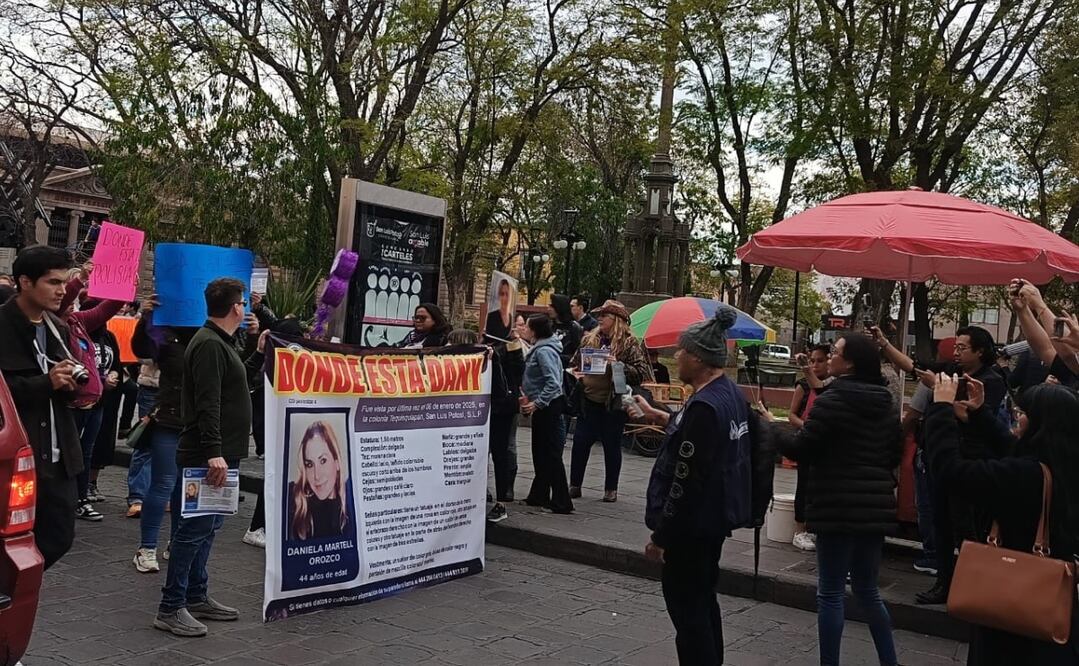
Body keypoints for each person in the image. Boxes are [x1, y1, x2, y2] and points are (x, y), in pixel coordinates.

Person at [924, 374, 1079, 664]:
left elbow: (950, 472)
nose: (1016, 420)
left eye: (1021, 414)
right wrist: (980, 414)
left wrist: (940, 409)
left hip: (1012, 606)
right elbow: (1012, 448)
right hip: (1053, 605)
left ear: (1039, 425)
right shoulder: (1062, 465)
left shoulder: (1025, 475)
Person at [631, 306, 754, 665]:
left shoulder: (704, 406)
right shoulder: (728, 394)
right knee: (703, 602)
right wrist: (662, 417)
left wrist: (661, 537)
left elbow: (687, 481)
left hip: (693, 527)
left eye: (682, 351)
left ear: (699, 358)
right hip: (714, 520)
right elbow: (705, 442)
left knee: (689, 614)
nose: (676, 357)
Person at [774, 333, 901, 666]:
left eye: (835, 352)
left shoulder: (834, 399)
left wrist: (769, 431)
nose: (829, 356)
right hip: (874, 508)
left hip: (835, 504)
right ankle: (890, 660)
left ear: (851, 362)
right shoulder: (886, 404)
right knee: (867, 590)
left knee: (830, 591)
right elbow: (894, 454)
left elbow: (803, 446)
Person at [875, 323, 1008, 605]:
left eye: (963, 348)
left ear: (980, 351)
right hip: (939, 458)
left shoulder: (991, 380)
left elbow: (977, 418)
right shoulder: (951, 371)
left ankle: (974, 587)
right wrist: (885, 344)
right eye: (956, 347)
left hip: (969, 463)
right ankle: (944, 582)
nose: (956, 353)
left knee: (967, 528)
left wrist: (946, 398)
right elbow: (915, 367)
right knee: (940, 523)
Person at [155, 278, 251, 637]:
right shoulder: (210, 344)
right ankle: (171, 605)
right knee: (192, 530)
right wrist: (213, 452)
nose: (245, 308)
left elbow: (234, 386)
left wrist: (258, 352)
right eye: (243, 303)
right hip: (207, 456)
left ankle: (196, 595)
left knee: (207, 527)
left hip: (221, 453)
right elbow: (208, 403)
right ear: (235, 307)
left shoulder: (220, 343)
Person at [0, 246, 81, 569]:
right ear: (25, 282)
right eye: (53, 282)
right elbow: (5, 390)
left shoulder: (57, 328)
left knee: (59, 537)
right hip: (17, 454)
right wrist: (47, 383)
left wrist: (71, 385)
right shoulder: (3, 326)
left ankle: (17, 588)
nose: (62, 290)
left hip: (58, 456)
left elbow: (63, 388)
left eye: (64, 282)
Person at [131, 296, 192, 573]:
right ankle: (147, 547)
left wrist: (252, 335)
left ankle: (176, 543)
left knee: (186, 488)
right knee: (165, 483)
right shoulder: (168, 336)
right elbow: (141, 348)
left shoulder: (214, 337)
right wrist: (146, 318)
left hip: (198, 425)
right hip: (169, 419)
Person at [569, 300, 652, 502]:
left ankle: (610, 489)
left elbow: (643, 373)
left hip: (613, 403)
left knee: (611, 445)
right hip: (588, 400)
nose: (599, 319)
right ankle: (574, 485)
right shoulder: (590, 339)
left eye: (604, 316)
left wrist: (619, 365)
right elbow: (574, 362)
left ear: (616, 321)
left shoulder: (630, 343)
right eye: (599, 316)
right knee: (580, 443)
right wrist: (575, 373)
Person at [520, 314, 573, 514]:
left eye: (527, 326)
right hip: (543, 405)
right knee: (540, 453)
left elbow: (553, 382)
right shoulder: (540, 348)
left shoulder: (544, 352)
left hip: (548, 406)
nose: (524, 329)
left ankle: (561, 501)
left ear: (535, 331)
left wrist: (537, 403)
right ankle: (539, 495)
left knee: (550, 454)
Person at [788, 344, 831, 552]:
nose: (815, 365)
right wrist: (807, 426)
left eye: (820, 361)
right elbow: (792, 415)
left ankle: (816, 526)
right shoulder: (803, 386)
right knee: (803, 484)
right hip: (807, 439)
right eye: (812, 361)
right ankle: (800, 529)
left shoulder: (833, 386)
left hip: (825, 444)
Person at [486, 317, 525, 523]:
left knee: (501, 453)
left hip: (503, 407)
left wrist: (514, 342)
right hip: (486, 406)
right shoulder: (486, 343)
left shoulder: (510, 346)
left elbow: (519, 368)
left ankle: (503, 500)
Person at [288, 421, 351, 541]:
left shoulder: (351, 503)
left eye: (323, 461)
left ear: (337, 462)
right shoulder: (295, 501)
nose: (317, 476)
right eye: (310, 464)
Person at [549, 293, 583, 368]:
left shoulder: (574, 327)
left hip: (566, 370)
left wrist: (558, 357)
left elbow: (577, 353)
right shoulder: (549, 326)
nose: (549, 309)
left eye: (552, 306)